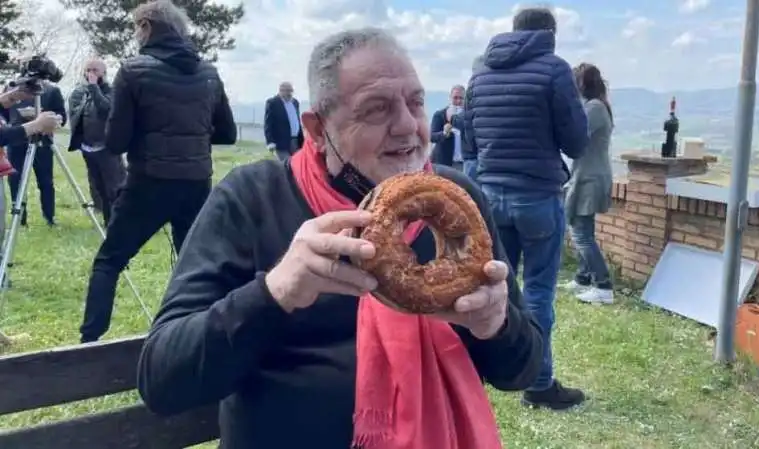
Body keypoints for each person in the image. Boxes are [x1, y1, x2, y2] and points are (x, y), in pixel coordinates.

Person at [137, 27, 543, 449]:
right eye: (377, 109)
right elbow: (162, 380)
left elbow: (522, 370)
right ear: (316, 128)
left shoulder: (459, 205)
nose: (408, 126)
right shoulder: (253, 199)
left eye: (416, 102)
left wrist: (497, 325)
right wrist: (275, 292)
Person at [78, 0, 236, 344]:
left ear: (148, 26)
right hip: (196, 183)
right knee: (194, 265)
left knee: (110, 261)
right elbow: (228, 134)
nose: (135, 34)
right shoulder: (209, 73)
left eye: (137, 27)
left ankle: (88, 344)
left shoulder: (133, 71)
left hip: (147, 182)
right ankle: (195, 337)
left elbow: (116, 143)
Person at [464, 6, 589, 410]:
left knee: (495, 287)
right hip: (536, 197)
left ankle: (488, 374)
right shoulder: (554, 70)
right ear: (549, 31)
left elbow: (469, 135)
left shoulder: (480, 73)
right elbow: (576, 142)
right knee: (537, 293)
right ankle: (538, 384)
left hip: (489, 198)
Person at [563, 63, 615, 304]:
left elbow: (575, 137)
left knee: (581, 233)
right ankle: (583, 278)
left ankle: (603, 286)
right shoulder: (597, 106)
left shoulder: (593, 108)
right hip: (590, 175)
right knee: (585, 228)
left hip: (589, 178)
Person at [68, 57, 127, 227]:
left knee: (114, 187)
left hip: (107, 148)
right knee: (98, 186)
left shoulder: (111, 91)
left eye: (95, 70)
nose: (91, 74)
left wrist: (94, 87)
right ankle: (107, 220)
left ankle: (118, 220)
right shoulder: (82, 93)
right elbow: (76, 116)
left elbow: (106, 109)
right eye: (88, 70)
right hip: (89, 148)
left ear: (104, 73)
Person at [1, 77, 66, 227]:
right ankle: (20, 218)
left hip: (42, 141)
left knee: (45, 181)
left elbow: (62, 116)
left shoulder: (51, 90)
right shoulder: (12, 86)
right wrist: (34, 124)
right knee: (15, 180)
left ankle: (49, 216)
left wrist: (52, 120)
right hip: (16, 141)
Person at [429, 84, 468, 170]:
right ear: (450, 98)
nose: (458, 101)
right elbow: (431, 137)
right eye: (455, 97)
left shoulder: (468, 117)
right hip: (444, 163)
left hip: (464, 163)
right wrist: (444, 134)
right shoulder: (440, 115)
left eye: (461, 98)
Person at [264, 81, 304, 161]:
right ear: (281, 91)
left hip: (296, 141)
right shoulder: (273, 103)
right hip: (281, 142)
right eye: (287, 91)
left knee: (297, 164)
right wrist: (270, 142)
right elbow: (268, 124)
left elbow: (297, 121)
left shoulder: (295, 102)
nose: (290, 93)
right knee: (286, 166)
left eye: (291, 91)